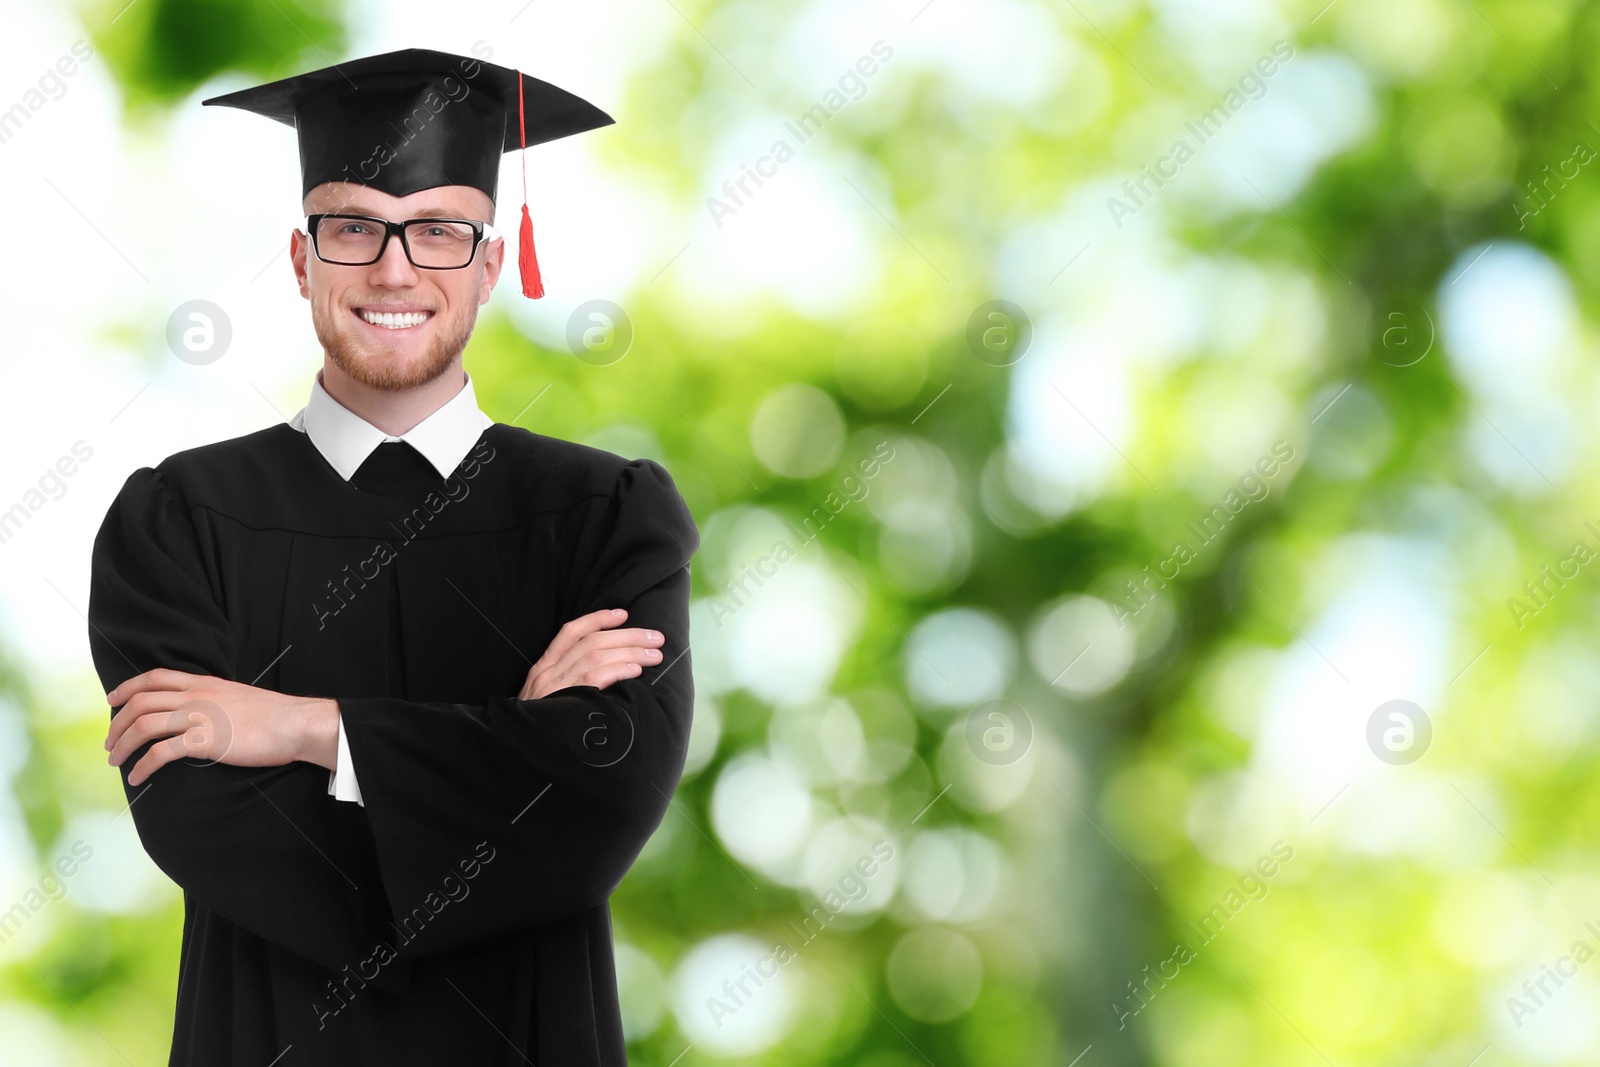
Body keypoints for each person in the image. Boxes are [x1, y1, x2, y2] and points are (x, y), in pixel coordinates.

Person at [86, 47, 698, 1066]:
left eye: (441, 231)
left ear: (491, 264)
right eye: (354, 226)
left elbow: (605, 797)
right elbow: (197, 816)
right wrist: (519, 745)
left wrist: (303, 729)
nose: (396, 267)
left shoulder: (603, 514)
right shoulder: (181, 517)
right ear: (302, 259)